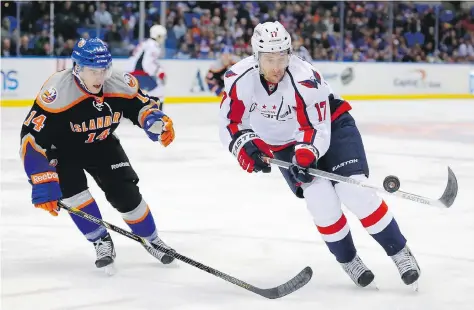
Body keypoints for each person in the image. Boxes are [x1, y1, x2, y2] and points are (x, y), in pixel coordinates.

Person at [218, 21, 421, 288]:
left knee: (355, 191)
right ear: (256, 56)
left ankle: (399, 252)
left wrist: (306, 153)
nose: (277, 66)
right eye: (269, 59)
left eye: (282, 57)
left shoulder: (304, 78)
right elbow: (230, 123)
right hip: (284, 145)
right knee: (320, 200)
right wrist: (246, 147)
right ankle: (349, 260)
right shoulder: (239, 79)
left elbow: (315, 126)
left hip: (332, 129)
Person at [20, 37, 175, 271]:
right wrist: (41, 177)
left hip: (101, 143)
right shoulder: (57, 92)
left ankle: (152, 239)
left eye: (104, 70)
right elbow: (30, 137)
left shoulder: (119, 82)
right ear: (78, 69)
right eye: (94, 71)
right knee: (74, 194)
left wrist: (154, 119)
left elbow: (141, 105)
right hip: (63, 151)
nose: (100, 78)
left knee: (126, 193)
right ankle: (100, 240)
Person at [127, 24, 167, 109]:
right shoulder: (154, 46)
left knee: (145, 93)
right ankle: (157, 113)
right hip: (139, 73)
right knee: (159, 89)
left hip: (131, 73)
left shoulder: (146, 43)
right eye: (162, 36)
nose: (164, 38)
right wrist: (159, 73)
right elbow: (147, 64)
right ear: (158, 36)